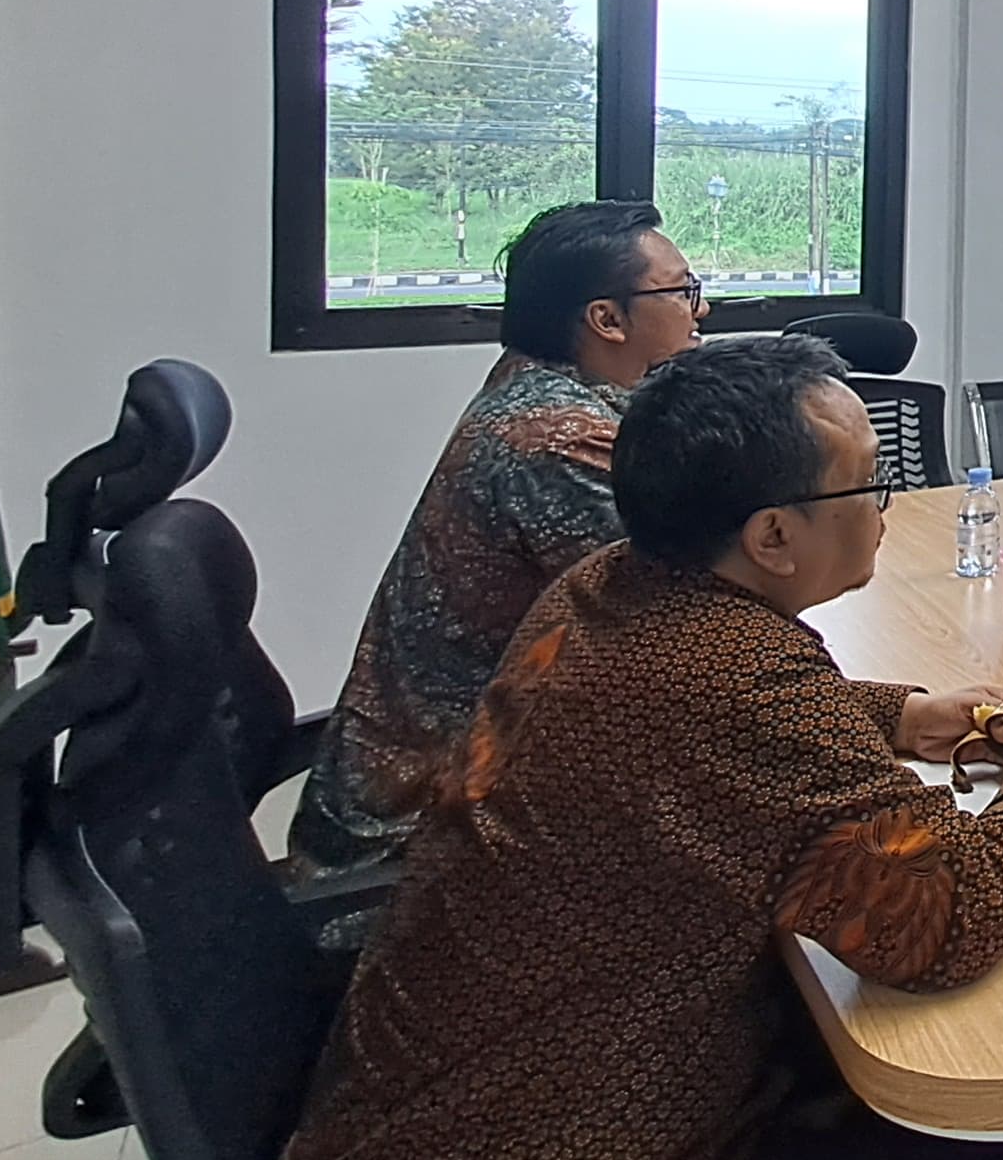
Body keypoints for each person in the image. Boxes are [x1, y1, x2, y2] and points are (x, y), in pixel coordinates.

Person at [260, 332, 1003, 1160]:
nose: (886, 505)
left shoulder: (604, 585)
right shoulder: (740, 680)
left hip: (421, 1144)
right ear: (773, 536)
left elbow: (688, 717)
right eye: (867, 484)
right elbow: (944, 922)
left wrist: (894, 712)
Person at [289, 201, 708, 876]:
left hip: (453, 771)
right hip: (427, 833)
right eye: (683, 291)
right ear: (607, 319)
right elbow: (697, 620)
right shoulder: (556, 443)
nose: (701, 309)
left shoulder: (536, 382)